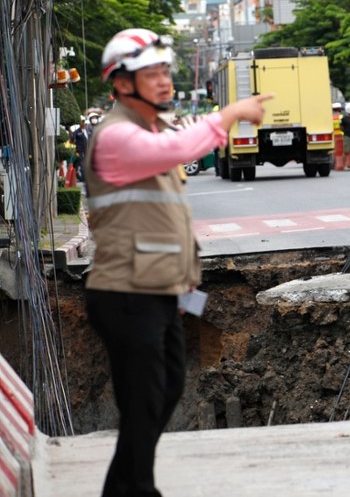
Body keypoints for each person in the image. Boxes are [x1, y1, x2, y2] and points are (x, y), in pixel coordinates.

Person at [84, 28, 272, 497]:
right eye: (152, 72)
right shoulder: (116, 137)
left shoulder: (150, 129)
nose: (164, 80)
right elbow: (178, 149)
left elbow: (175, 158)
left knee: (164, 391)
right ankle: (138, 489)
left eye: (166, 70)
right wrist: (229, 114)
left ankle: (124, 488)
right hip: (125, 292)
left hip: (159, 290)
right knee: (144, 401)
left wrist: (188, 291)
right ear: (122, 83)